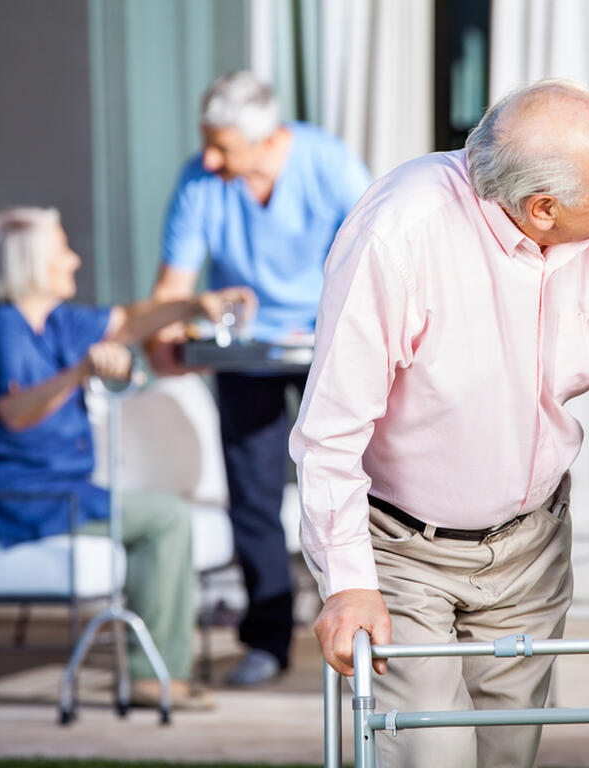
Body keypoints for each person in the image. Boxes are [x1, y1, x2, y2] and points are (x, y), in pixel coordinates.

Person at [289, 80, 589, 768]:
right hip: (402, 551)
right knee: (432, 757)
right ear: (543, 208)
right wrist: (350, 581)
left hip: (531, 546)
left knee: (509, 756)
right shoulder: (399, 232)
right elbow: (331, 428)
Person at [0, 206, 256, 710]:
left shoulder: (57, 322)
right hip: (11, 498)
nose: (74, 260)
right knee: (165, 517)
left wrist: (194, 306)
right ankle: (148, 676)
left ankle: (153, 668)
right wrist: (76, 374)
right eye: (62, 252)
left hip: (61, 493)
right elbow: (15, 413)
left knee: (163, 513)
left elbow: (131, 320)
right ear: (32, 263)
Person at [146, 70, 372, 687]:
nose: (209, 157)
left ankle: (380, 626)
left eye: (222, 146)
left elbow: (380, 258)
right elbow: (174, 287)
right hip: (247, 353)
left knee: (367, 481)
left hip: (329, 345)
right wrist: (162, 338)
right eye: (207, 143)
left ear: (269, 137)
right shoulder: (201, 180)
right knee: (253, 497)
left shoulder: (326, 163)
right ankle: (269, 639)